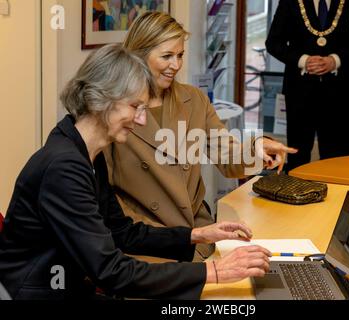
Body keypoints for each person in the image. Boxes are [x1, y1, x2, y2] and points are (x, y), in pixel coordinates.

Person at [0, 44, 271, 300]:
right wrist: (214, 271)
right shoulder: (64, 166)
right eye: (135, 107)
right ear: (100, 100)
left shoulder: (84, 150)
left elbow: (122, 233)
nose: (141, 119)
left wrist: (198, 234)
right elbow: (110, 270)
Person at [106, 11, 297, 262]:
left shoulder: (193, 99)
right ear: (138, 55)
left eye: (180, 55)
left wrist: (256, 148)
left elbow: (227, 155)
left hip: (198, 233)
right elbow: (107, 195)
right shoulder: (113, 108)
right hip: (146, 242)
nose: (176, 65)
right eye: (167, 56)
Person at [265, 0, 349, 171]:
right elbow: (274, 43)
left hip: (342, 94)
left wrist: (334, 61)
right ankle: (297, 194)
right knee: (298, 155)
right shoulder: (289, 2)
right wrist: (303, 61)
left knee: (339, 157)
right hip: (300, 92)